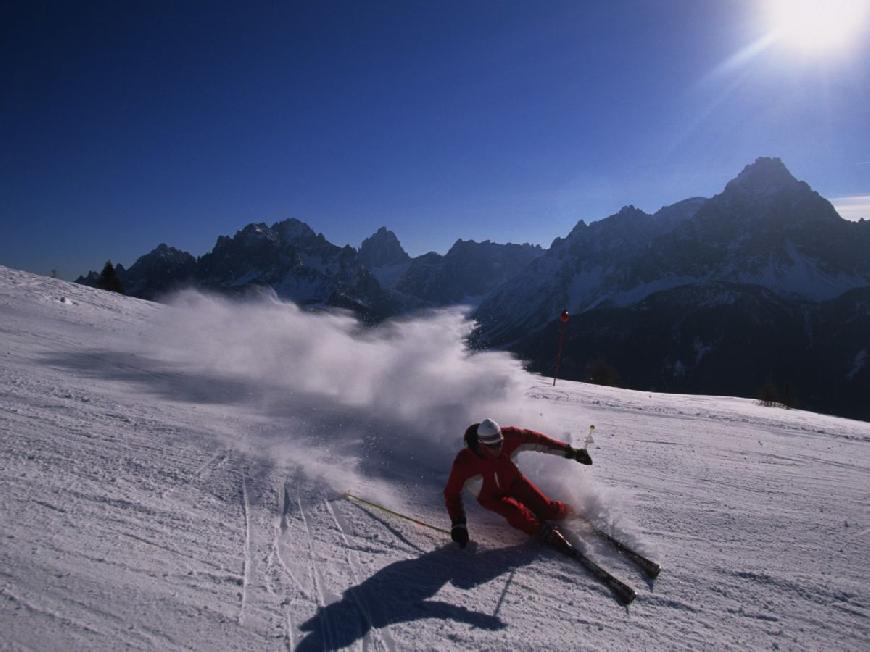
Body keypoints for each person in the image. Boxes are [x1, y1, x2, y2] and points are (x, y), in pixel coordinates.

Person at [443, 418, 592, 552]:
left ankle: (573, 513)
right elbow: (451, 493)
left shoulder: (510, 437)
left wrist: (570, 452)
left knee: (547, 510)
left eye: (500, 443)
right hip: (490, 497)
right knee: (517, 514)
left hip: (514, 482)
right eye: (492, 446)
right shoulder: (464, 462)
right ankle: (541, 531)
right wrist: (458, 523)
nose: (498, 449)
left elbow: (539, 441)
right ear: (481, 444)